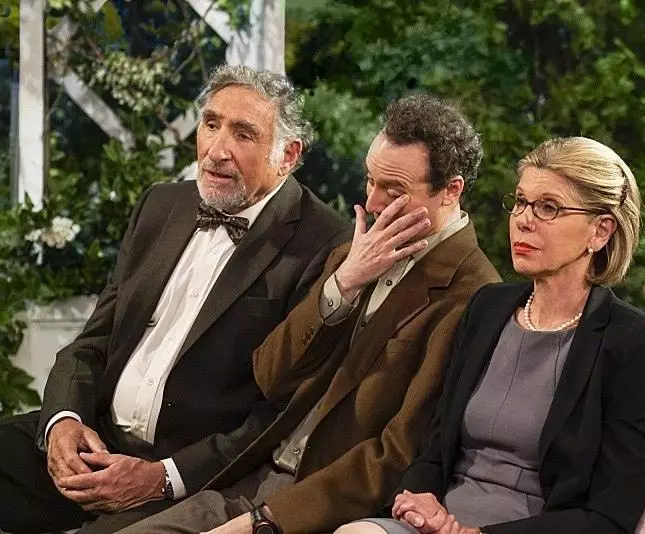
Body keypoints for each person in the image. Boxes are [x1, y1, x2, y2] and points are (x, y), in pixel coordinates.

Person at [117, 93, 500, 534]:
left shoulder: (473, 295)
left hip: (317, 509)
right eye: (370, 182)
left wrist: (265, 521)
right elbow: (268, 375)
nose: (374, 203)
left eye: (394, 192)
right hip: (248, 477)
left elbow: (398, 454)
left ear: (451, 190)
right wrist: (343, 284)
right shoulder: (351, 252)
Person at [0, 65, 351, 533]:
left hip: (183, 477)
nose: (217, 150)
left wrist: (161, 478)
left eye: (243, 134)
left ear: (287, 155)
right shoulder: (161, 205)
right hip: (95, 438)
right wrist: (63, 421)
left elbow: (278, 415)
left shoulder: (324, 242)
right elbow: (94, 341)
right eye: (211, 124)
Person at [336, 136, 645, 534]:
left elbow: (608, 517)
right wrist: (419, 499)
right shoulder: (488, 307)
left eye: (548, 207)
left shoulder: (630, 341)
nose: (524, 220)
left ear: (600, 232)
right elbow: (434, 446)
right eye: (520, 202)